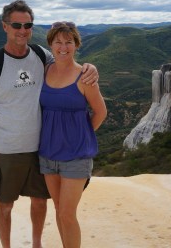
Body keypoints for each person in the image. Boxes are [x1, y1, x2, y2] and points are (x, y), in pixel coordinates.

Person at [0, 0, 99, 248]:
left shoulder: (42, 56)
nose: (22, 30)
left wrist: (90, 67)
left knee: (40, 201)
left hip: (41, 148)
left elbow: (67, 63)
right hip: (5, 149)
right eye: (16, 25)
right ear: (5, 26)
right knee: (5, 204)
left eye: (27, 24)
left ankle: (37, 244)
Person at [38, 21, 107, 248]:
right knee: (59, 212)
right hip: (48, 155)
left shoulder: (84, 76)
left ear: (76, 45)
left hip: (76, 156)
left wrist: (82, 136)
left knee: (67, 214)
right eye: (58, 42)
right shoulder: (45, 70)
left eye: (69, 42)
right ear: (50, 44)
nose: (63, 47)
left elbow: (100, 112)